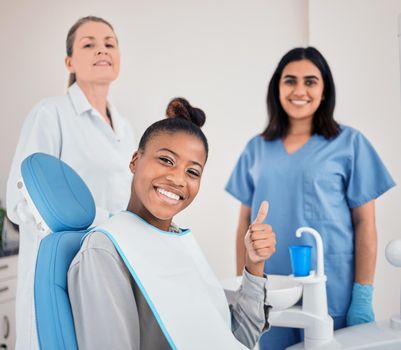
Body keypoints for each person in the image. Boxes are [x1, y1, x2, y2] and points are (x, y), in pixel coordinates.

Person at [68, 97, 277, 350]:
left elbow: (237, 339)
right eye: (166, 160)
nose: (178, 179)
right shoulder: (105, 250)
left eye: (193, 172)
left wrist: (253, 264)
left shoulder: (180, 243)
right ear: (135, 160)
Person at [225, 47, 396, 349]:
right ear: (277, 87)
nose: (299, 90)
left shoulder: (350, 143)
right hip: (270, 292)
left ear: (324, 89)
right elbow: (244, 224)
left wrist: (362, 295)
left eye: (310, 81)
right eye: (290, 80)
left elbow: (365, 225)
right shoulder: (256, 149)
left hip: (333, 290)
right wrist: (245, 289)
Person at [6, 16, 135, 350]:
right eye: (88, 44)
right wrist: (102, 220)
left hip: (109, 270)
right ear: (70, 61)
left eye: (110, 43)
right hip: (57, 273)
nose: (102, 50)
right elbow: (21, 201)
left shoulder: (126, 129)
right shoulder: (51, 114)